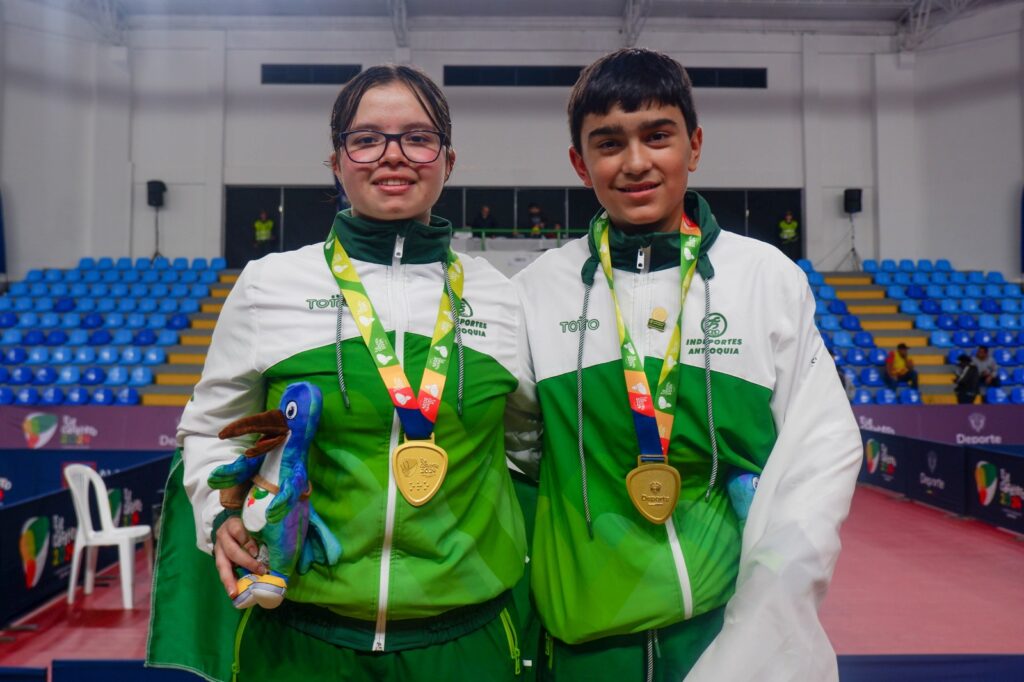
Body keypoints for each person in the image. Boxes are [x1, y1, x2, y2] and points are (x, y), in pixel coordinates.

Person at [152, 64, 527, 682]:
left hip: (465, 639)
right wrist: (218, 515)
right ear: (336, 161)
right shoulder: (268, 285)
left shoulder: (501, 298)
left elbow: (528, 444)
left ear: (448, 160)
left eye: (417, 137)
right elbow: (211, 429)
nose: (393, 156)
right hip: (299, 635)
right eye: (367, 138)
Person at [506, 48, 861, 681]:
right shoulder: (538, 292)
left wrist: (768, 614)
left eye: (658, 136)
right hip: (588, 649)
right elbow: (517, 452)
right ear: (579, 163)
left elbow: (818, 458)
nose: (636, 162)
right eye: (608, 142)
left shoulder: (765, 279)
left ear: (693, 145)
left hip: (729, 639)